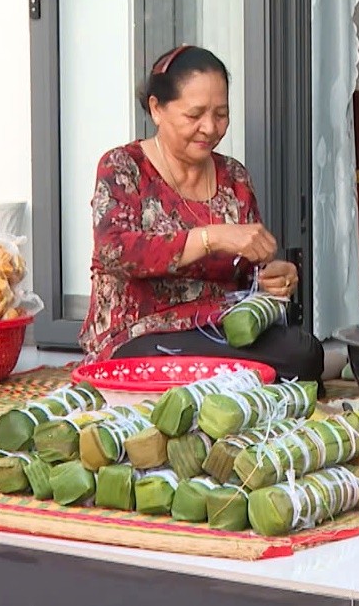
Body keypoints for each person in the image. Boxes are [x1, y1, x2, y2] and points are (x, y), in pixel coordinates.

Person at [78, 45, 325, 387]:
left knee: (305, 352)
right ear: (157, 109)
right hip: (140, 334)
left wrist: (270, 278)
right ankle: (231, 383)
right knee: (171, 362)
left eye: (221, 114)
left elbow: (246, 277)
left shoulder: (234, 176)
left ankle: (221, 383)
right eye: (195, 115)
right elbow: (116, 251)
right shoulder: (123, 166)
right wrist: (213, 237)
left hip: (217, 329)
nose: (210, 127)